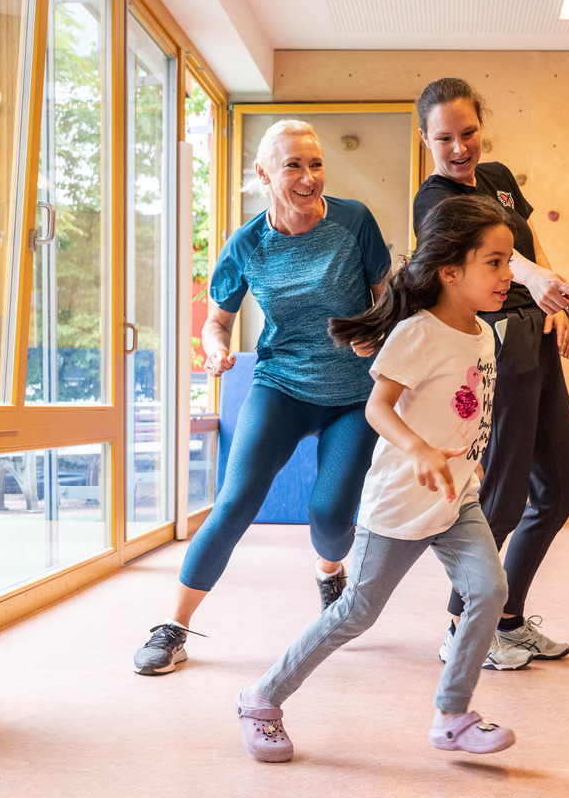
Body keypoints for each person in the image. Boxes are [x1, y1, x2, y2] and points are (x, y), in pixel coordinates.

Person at [234, 195, 519, 763]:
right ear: (450, 270)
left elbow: (471, 407)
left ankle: (452, 715)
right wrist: (418, 449)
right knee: (355, 613)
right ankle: (260, 698)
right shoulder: (416, 332)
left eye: (508, 261)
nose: (508, 275)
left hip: (456, 499)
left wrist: (471, 459)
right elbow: (378, 408)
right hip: (399, 504)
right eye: (495, 262)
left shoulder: (486, 334)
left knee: (490, 589)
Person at [133, 120, 390, 676]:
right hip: (280, 386)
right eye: (294, 165)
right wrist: (216, 349)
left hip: (352, 394)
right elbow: (217, 322)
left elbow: (385, 297)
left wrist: (379, 329)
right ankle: (172, 628)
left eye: (315, 164)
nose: (308, 176)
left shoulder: (355, 221)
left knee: (329, 513)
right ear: (264, 173)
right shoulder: (247, 243)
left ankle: (328, 571)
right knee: (235, 500)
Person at [412, 77, 569, 669]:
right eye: (444, 138)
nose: (459, 148)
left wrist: (551, 299)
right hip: (496, 347)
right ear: (425, 139)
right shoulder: (433, 201)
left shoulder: (501, 179)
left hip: (535, 332)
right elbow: (501, 258)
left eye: (468, 133)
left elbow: (530, 244)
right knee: (503, 496)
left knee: (559, 491)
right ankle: (463, 626)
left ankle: (507, 618)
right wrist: (533, 282)